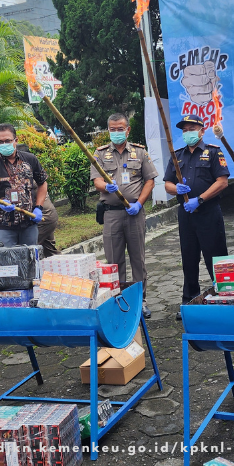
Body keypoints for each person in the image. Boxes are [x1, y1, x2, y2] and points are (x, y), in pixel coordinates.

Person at [164, 114, 230, 321]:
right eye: (184, 130)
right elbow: (167, 184)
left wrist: (200, 199)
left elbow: (222, 182)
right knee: (189, 258)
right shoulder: (177, 155)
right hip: (186, 215)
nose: (188, 133)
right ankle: (189, 301)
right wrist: (176, 188)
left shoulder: (213, 152)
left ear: (202, 131)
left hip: (208, 212)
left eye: (191, 129)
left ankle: (225, 299)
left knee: (216, 257)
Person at [92, 113, 157, 318]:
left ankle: (140, 301)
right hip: (111, 215)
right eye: (112, 129)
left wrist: (139, 203)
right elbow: (96, 181)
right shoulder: (100, 153)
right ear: (108, 130)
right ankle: (118, 300)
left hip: (134, 214)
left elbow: (150, 181)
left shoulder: (140, 152)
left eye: (120, 129)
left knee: (138, 259)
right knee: (114, 260)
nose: (116, 132)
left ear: (127, 130)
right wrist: (106, 186)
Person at [0, 143, 59, 256]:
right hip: (43, 216)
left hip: (41, 216)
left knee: (23, 254)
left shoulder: (27, 176)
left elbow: (19, 200)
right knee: (48, 250)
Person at [0, 123, 48, 247]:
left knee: (30, 256)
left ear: (16, 140)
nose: (4, 144)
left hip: (29, 223)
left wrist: (39, 207)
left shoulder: (30, 159)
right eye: (0, 142)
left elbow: (42, 183)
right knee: (8, 258)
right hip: (4, 226)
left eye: (8, 141)